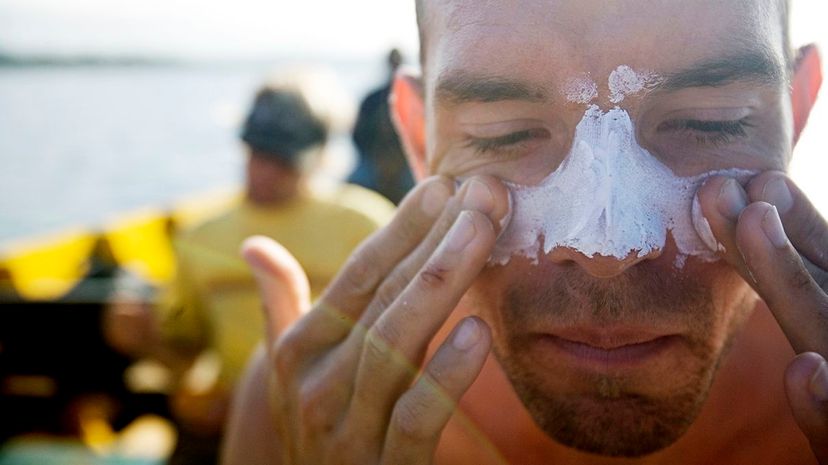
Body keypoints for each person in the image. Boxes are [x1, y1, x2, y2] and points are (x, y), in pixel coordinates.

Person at [223, 1, 828, 463]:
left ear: (796, 114)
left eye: (709, 124)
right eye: (504, 133)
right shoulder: (316, 404)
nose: (607, 248)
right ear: (417, 138)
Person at [106, 70, 395, 465]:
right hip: (226, 419)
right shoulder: (199, 236)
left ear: (320, 154)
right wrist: (145, 338)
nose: (265, 171)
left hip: (341, 422)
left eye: (282, 160)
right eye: (258, 153)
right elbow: (185, 345)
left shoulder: (368, 225)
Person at [348, 48, 416, 204]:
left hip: (405, 161)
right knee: (353, 185)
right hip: (374, 160)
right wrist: (379, 160)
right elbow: (358, 135)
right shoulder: (372, 99)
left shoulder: (414, 97)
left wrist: (399, 161)